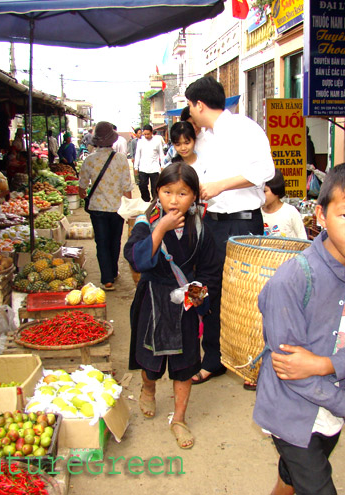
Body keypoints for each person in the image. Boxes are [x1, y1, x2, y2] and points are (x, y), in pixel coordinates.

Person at [253, 162, 345, 495]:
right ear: (321, 215)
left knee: (290, 480)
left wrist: (326, 365)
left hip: (331, 407)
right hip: (290, 409)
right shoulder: (292, 280)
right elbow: (289, 368)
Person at [124, 162, 222, 450]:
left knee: (185, 364)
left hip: (185, 302)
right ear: (158, 193)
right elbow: (137, 260)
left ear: (194, 196)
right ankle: (148, 386)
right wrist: (161, 229)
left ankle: (178, 418)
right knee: (150, 360)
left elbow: (211, 270)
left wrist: (195, 296)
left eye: (183, 193)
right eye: (168, 192)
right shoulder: (146, 222)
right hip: (152, 298)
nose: (174, 199)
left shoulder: (201, 228)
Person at [185, 76, 275, 386]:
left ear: (199, 104)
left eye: (189, 106)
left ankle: (250, 362)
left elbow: (265, 171)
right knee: (209, 289)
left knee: (247, 294)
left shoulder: (244, 128)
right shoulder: (206, 139)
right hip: (212, 223)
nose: (189, 112)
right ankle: (213, 359)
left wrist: (220, 186)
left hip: (241, 223)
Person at [79, 122, 132, 292]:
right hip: (117, 209)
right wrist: (128, 208)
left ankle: (107, 279)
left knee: (101, 242)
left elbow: (81, 189)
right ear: (112, 141)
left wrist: (87, 195)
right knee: (115, 241)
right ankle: (114, 271)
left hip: (97, 209)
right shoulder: (121, 159)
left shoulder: (89, 160)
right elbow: (127, 188)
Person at [262, 170, 306, 239]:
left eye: (264, 191)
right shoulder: (257, 213)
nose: (261, 195)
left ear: (276, 189)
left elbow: (303, 239)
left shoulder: (290, 212)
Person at [134, 124, 165, 202]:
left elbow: (161, 154)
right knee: (142, 186)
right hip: (143, 168)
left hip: (154, 168)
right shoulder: (140, 142)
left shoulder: (157, 142)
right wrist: (136, 167)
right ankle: (146, 201)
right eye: (144, 134)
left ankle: (154, 202)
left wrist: (162, 165)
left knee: (155, 188)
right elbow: (137, 155)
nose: (146, 136)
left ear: (151, 132)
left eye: (148, 134)